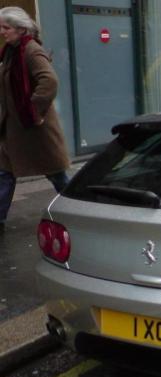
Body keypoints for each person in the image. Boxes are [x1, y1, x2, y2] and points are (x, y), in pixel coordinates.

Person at [0, 7, 70, 232]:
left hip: (34, 129)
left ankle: (80, 208)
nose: (2, 32)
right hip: (14, 129)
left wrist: (33, 110)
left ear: (21, 29)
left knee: (56, 174)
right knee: (4, 173)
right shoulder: (10, 51)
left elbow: (49, 81)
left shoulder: (30, 50)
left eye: (6, 28)